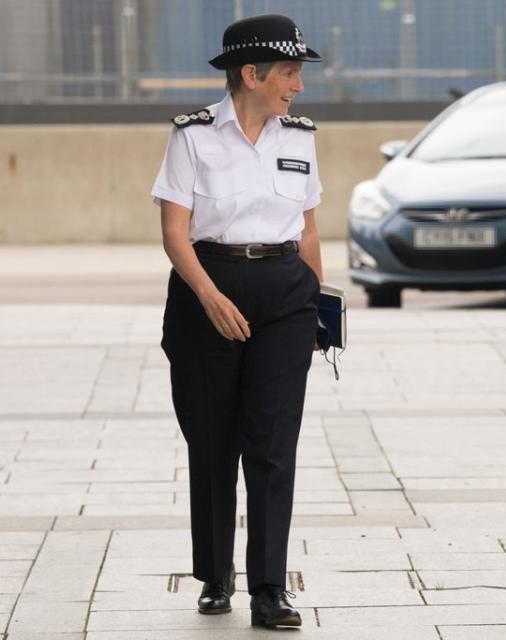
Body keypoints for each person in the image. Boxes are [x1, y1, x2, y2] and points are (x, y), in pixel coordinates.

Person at [151, 14, 325, 629]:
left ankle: (270, 587)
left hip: (284, 297)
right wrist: (209, 296)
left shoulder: (299, 137)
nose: (297, 87)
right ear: (250, 74)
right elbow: (175, 232)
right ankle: (216, 573)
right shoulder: (193, 137)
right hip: (207, 291)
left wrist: (320, 308)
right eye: (289, 73)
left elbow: (307, 230)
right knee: (214, 440)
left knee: (274, 446)